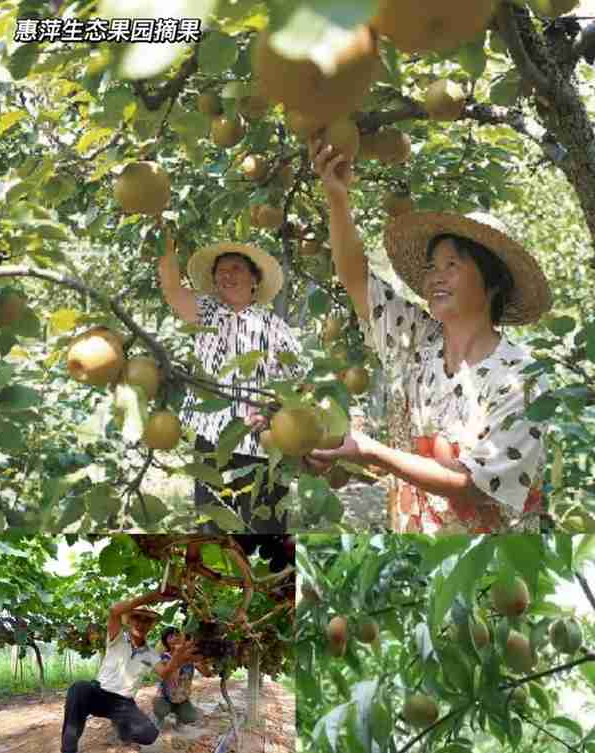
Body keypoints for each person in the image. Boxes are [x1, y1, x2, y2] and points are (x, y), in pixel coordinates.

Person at [307, 138, 553, 535]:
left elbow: (475, 485)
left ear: (491, 282)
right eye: (432, 266)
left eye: (452, 265)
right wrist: (337, 197)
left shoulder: (521, 378)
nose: (435, 276)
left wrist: (371, 450)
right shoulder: (416, 341)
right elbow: (357, 279)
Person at [159, 234, 303, 533]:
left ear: (254, 279)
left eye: (236, 268)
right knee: (213, 525)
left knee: (265, 526)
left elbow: (298, 379)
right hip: (211, 437)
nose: (227, 276)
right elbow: (173, 290)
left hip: (260, 442)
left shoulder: (274, 326)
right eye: (220, 271)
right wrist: (165, 244)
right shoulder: (206, 311)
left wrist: (272, 409)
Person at [60, 590, 204, 753]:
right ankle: (68, 749)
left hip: (122, 704)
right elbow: (114, 612)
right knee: (79, 688)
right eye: (137, 617)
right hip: (98, 693)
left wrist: (177, 658)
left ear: (151, 626)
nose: (141, 623)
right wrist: (148, 598)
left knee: (149, 735)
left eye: (147, 620)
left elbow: (164, 673)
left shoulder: (150, 653)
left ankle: (122, 729)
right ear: (128, 620)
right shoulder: (118, 637)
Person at [153, 626, 212, 733]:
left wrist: (205, 660)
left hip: (181, 697)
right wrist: (183, 658)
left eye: (177, 635)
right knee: (160, 710)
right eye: (170, 637)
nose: (175, 638)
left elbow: (207, 673)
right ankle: (159, 719)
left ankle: (179, 719)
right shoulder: (164, 657)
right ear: (165, 642)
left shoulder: (192, 657)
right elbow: (170, 673)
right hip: (165, 696)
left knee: (190, 717)